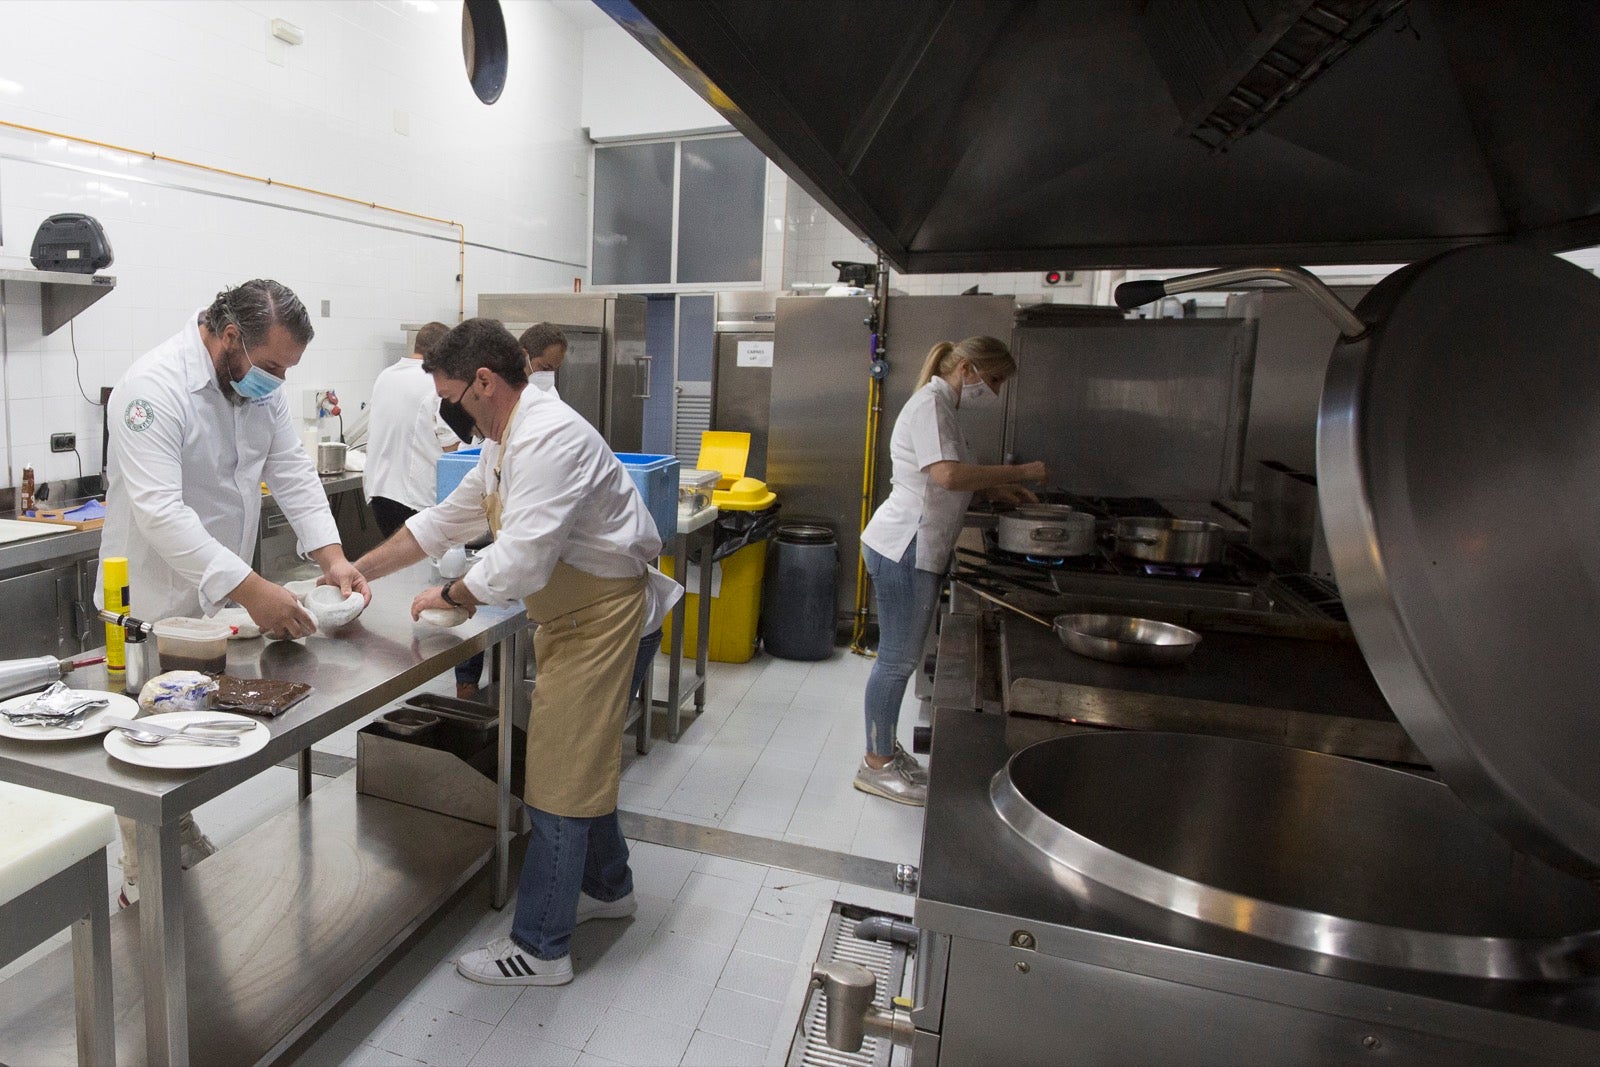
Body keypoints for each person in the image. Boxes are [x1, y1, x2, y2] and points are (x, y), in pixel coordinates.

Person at [351, 317, 667, 986]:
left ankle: (542, 947)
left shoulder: (548, 439)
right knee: (577, 761)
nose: (452, 415)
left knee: (555, 777)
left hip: (607, 619)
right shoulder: (503, 441)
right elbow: (443, 521)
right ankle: (609, 889)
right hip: (574, 616)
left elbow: (520, 562)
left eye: (453, 399)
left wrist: (455, 591)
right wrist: (362, 569)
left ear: (486, 382)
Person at [97, 278, 372, 904]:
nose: (275, 381)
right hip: (148, 600)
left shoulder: (257, 388)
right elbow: (162, 514)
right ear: (228, 338)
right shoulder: (153, 389)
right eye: (271, 366)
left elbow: (293, 472)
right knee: (150, 737)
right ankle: (144, 874)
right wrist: (252, 589)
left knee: (195, 730)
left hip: (212, 598)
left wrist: (332, 557)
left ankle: (179, 840)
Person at [855, 337, 1045, 805]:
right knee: (896, 661)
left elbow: (947, 480)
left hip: (918, 545)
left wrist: (996, 493)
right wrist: (1016, 474)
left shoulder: (942, 406)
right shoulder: (930, 406)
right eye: (994, 379)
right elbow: (947, 476)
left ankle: (884, 751)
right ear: (967, 368)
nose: (995, 391)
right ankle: (875, 766)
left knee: (900, 659)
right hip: (904, 545)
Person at [364, 321, 459, 538]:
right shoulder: (435, 383)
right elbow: (452, 450)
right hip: (417, 500)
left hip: (380, 494)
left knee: (401, 567)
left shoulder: (385, 376)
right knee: (426, 569)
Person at [519, 321, 566, 390]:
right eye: (545, 368)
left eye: (554, 370)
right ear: (524, 356)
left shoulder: (550, 394)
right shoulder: (501, 390)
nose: (548, 376)